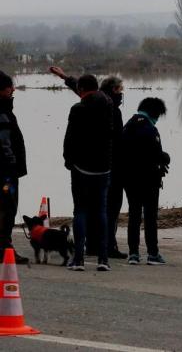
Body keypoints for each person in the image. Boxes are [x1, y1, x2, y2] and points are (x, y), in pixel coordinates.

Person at [50, 67, 127, 259]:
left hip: (85, 166)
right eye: (119, 90)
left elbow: (83, 91)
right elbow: (117, 140)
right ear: (109, 91)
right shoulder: (110, 109)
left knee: (87, 209)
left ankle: (88, 249)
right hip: (108, 167)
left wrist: (65, 78)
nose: (121, 94)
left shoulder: (85, 106)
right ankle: (106, 248)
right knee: (106, 209)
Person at [63, 74, 113, 272]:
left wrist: (68, 160)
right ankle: (103, 258)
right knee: (101, 211)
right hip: (104, 167)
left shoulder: (78, 109)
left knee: (80, 210)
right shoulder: (108, 104)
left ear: (81, 90)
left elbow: (70, 138)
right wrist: (66, 78)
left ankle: (79, 259)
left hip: (81, 167)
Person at [122, 98, 170, 266]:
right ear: (155, 112)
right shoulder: (150, 128)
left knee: (134, 215)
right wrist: (165, 157)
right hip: (149, 178)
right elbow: (156, 155)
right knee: (150, 216)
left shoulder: (128, 125)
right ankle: (152, 253)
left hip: (129, 179)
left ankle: (133, 253)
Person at [0, 71, 29, 264]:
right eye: (10, 87)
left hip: (6, 171)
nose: (13, 90)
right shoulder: (2, 113)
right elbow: (4, 143)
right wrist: (11, 165)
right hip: (5, 174)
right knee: (7, 208)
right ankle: (5, 249)